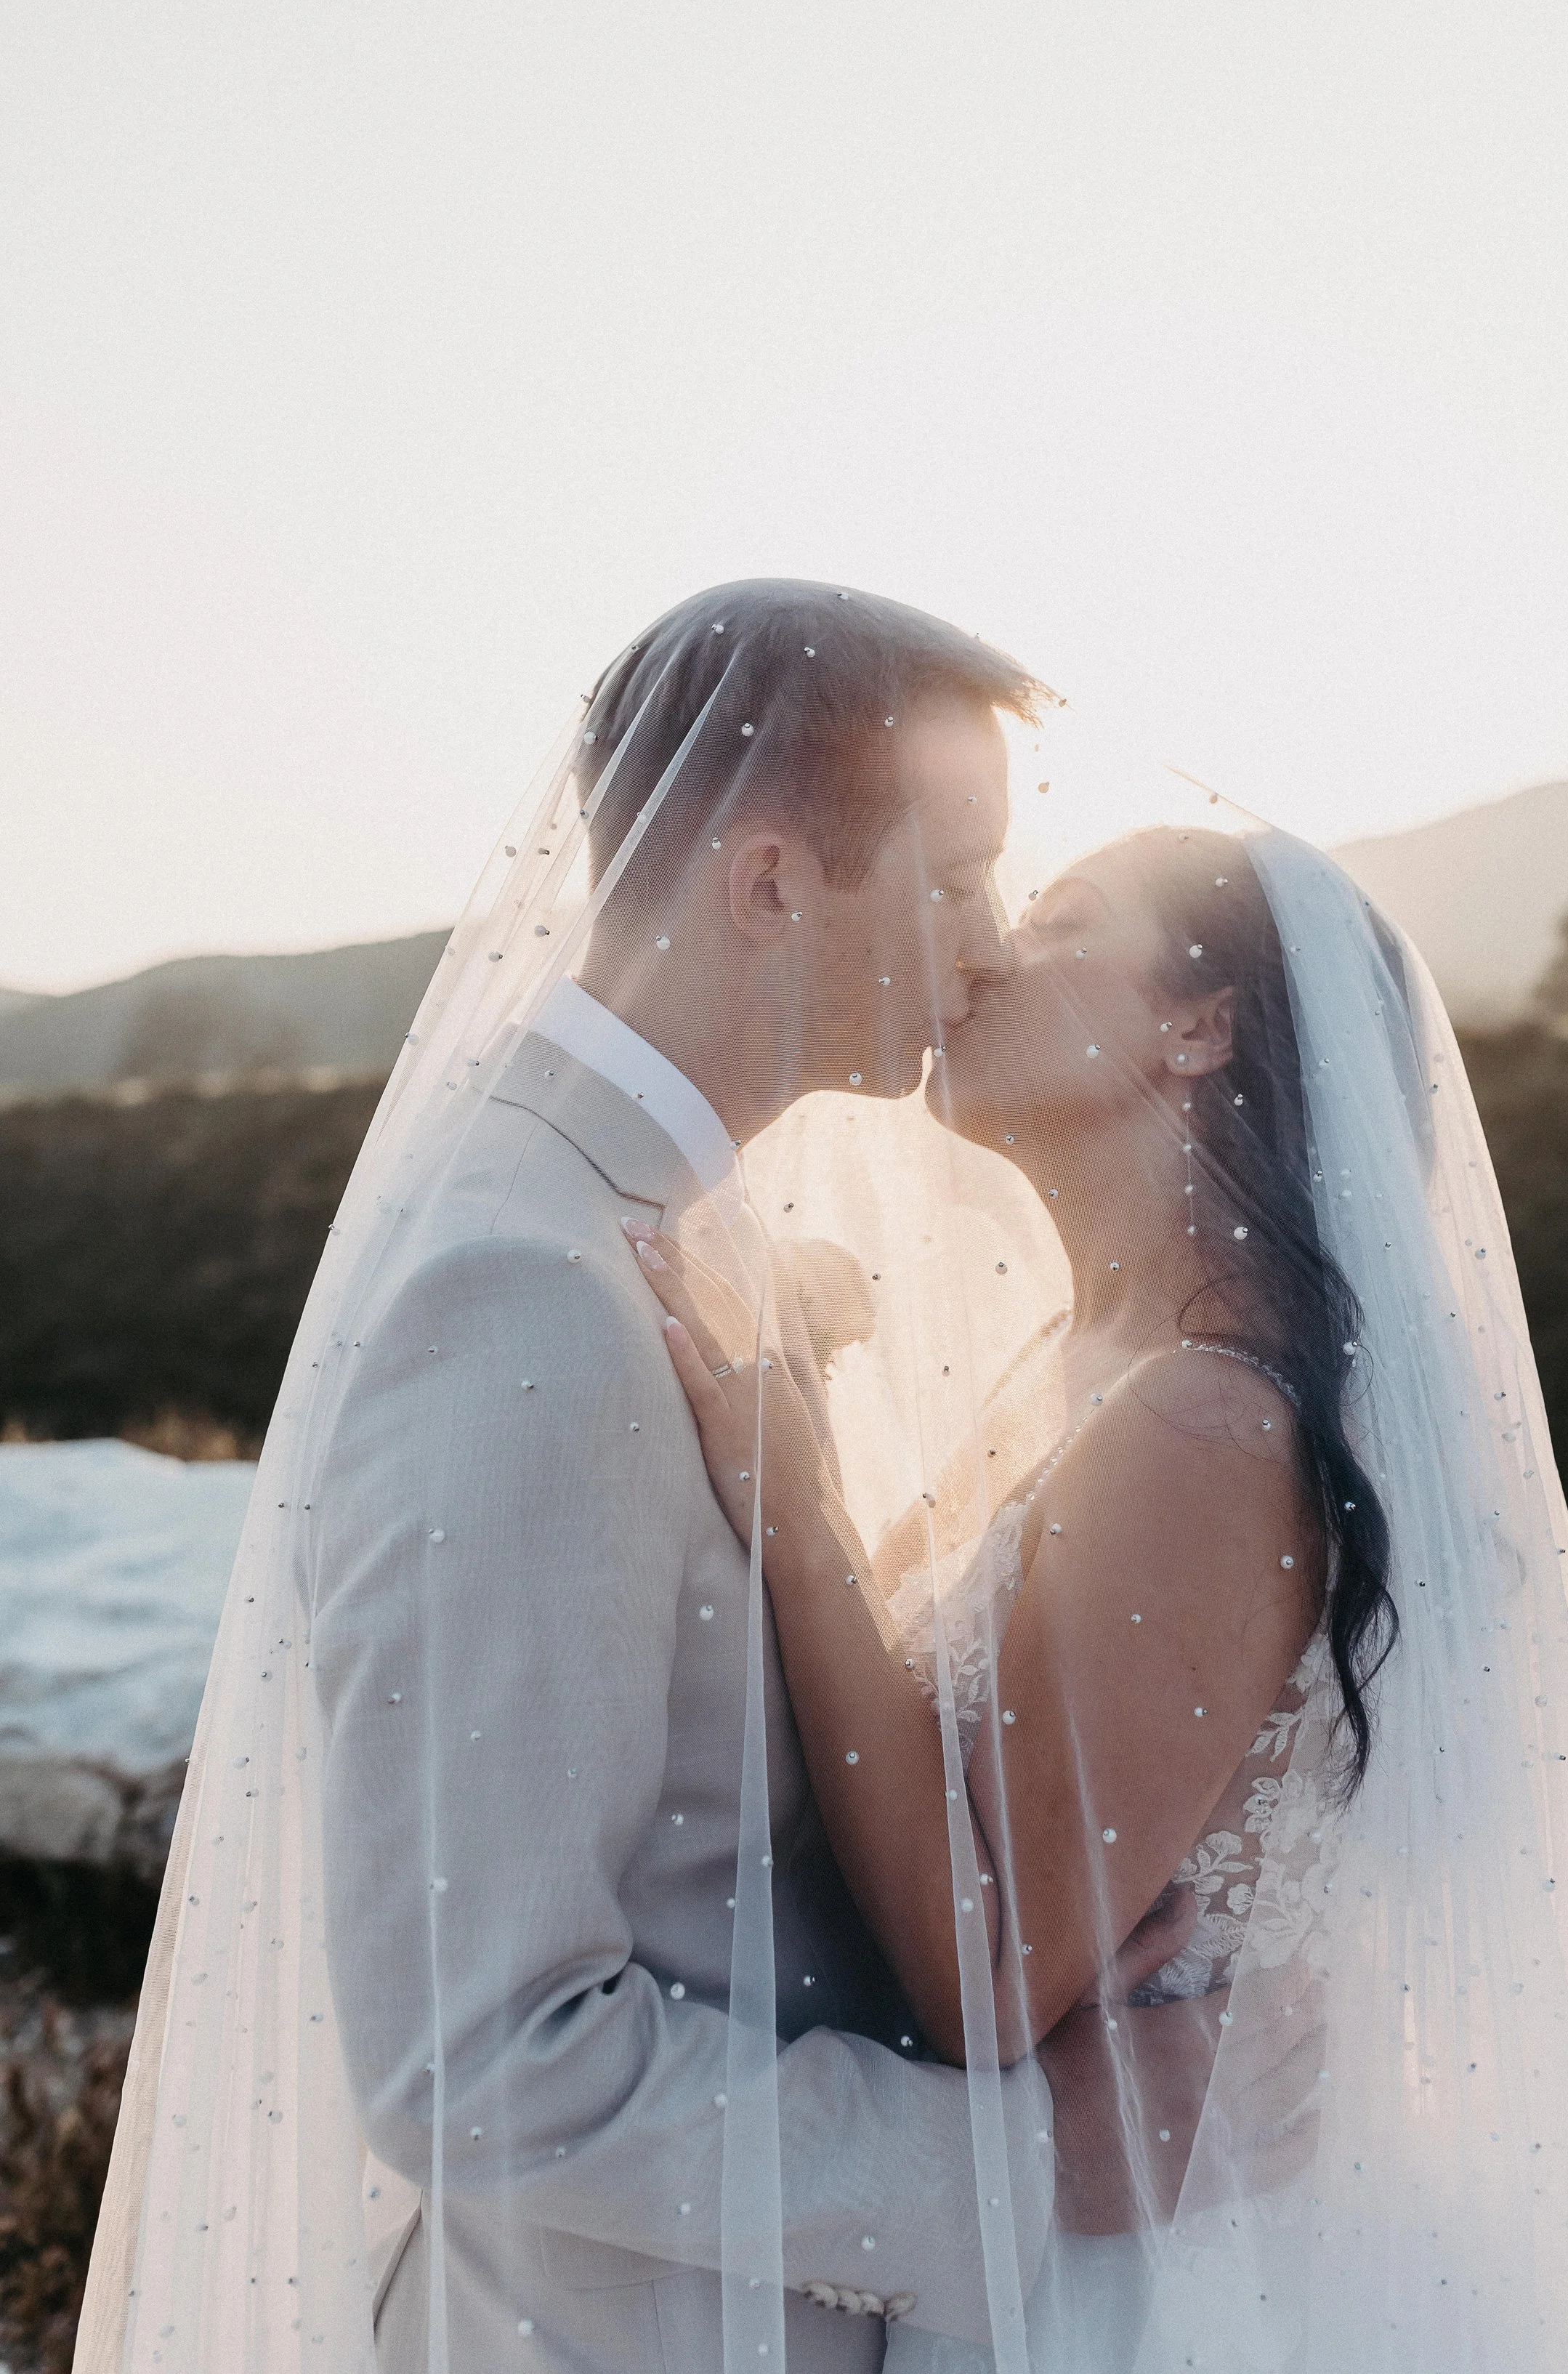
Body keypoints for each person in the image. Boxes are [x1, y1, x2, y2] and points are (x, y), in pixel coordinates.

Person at [74, 585, 1221, 2374]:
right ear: (766, 884)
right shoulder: (516, 1296)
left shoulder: (668, 1220)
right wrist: (1015, 2159)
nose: (983, 948)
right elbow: (478, 2057)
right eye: (948, 881)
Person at [631, 811, 1568, 2370]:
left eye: (1059, 923)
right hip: (1081, 2236)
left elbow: (984, 1968)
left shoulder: (1200, 1424)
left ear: (1198, 1023)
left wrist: (799, 1511)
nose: (976, 956)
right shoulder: (1081, 1373)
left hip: (1175, 2287)